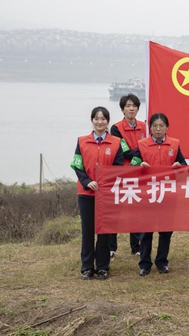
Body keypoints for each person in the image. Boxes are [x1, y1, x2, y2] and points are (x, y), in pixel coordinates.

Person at [70, 106, 124, 280]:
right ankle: (87, 267)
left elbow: (119, 168)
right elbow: (77, 165)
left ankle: (102, 267)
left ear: (108, 121)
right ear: (92, 120)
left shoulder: (116, 142)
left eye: (103, 119)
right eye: (96, 118)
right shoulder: (82, 141)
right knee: (88, 231)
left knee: (104, 232)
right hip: (86, 194)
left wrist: (105, 183)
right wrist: (87, 182)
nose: (100, 122)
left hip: (106, 195)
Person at [130, 113, 186, 276]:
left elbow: (183, 164)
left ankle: (162, 261)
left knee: (166, 230)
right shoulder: (142, 144)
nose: (158, 129)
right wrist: (140, 164)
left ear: (167, 127)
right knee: (146, 230)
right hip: (148, 194)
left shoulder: (174, 144)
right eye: (155, 126)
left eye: (161, 125)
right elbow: (133, 165)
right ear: (150, 128)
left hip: (168, 193)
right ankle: (145, 263)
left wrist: (178, 165)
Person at [109, 93, 147, 258]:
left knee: (137, 210)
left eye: (134, 106)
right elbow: (124, 152)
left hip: (141, 173)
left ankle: (136, 246)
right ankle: (111, 247)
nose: (131, 109)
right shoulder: (116, 128)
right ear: (123, 109)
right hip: (123, 174)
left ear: (138, 108)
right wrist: (142, 153)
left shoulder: (145, 126)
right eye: (128, 106)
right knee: (116, 211)